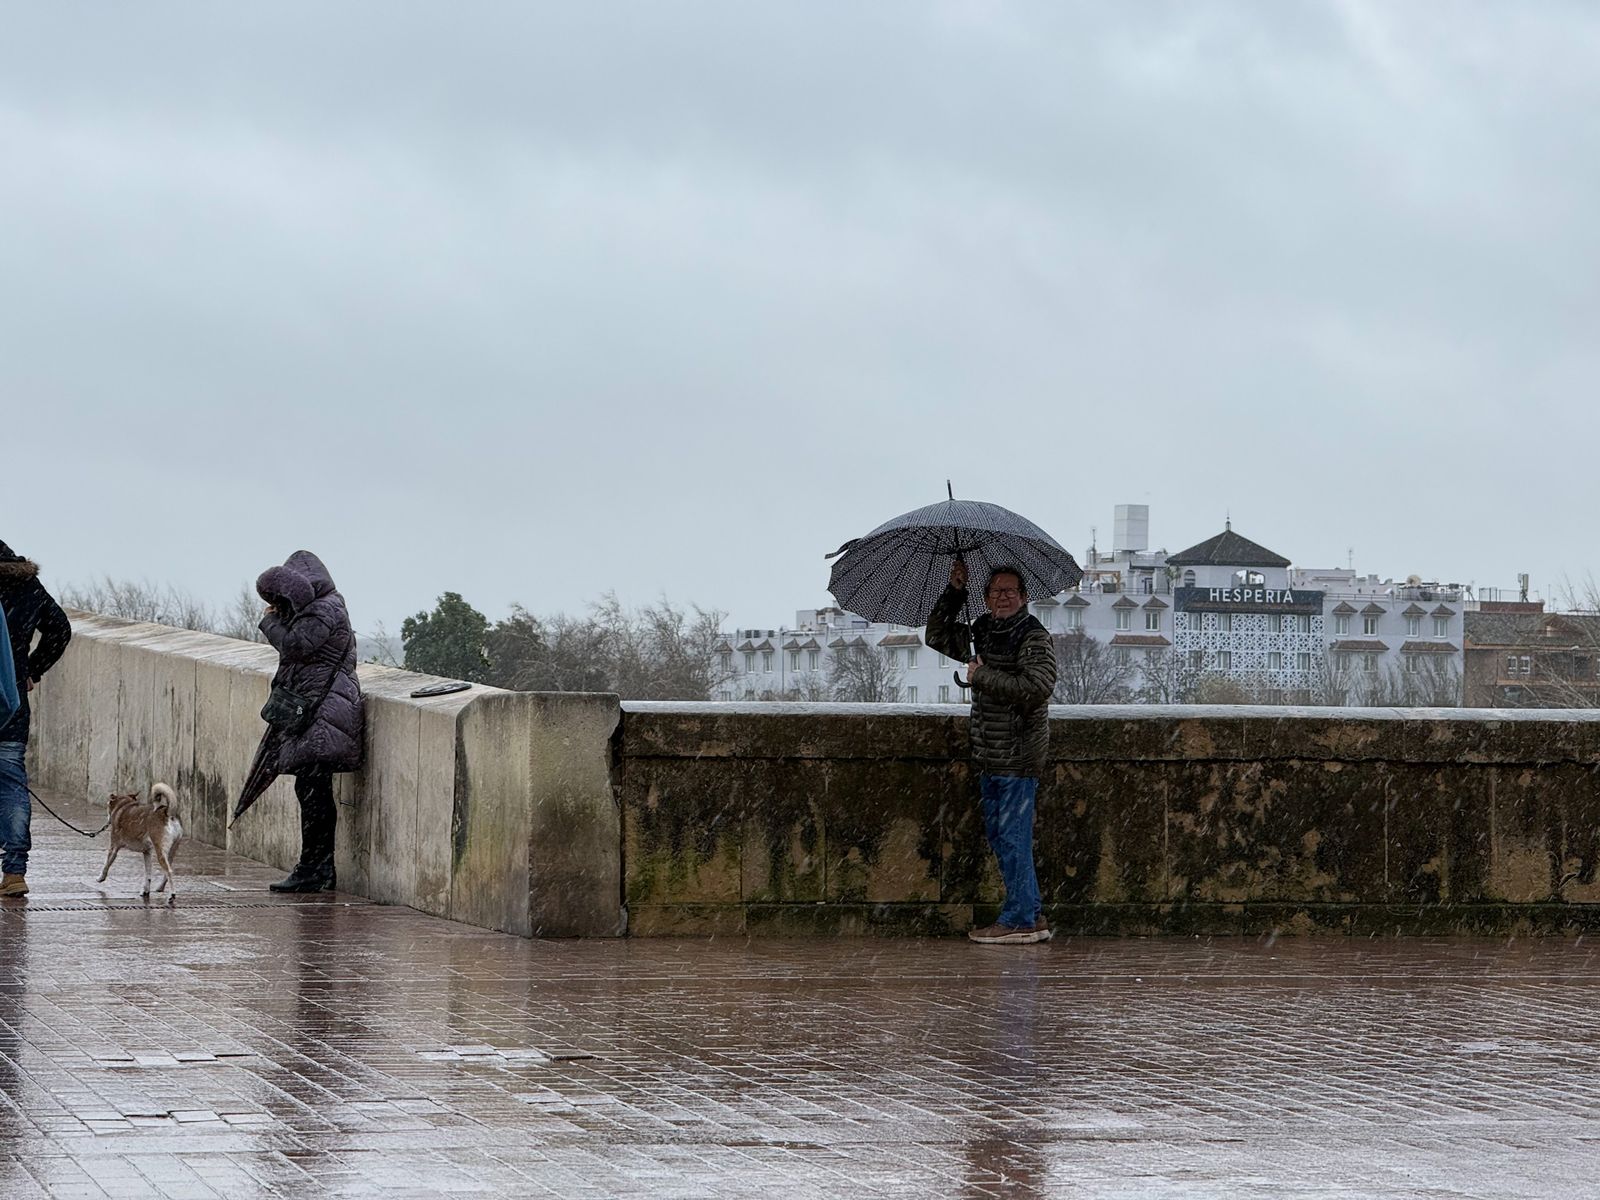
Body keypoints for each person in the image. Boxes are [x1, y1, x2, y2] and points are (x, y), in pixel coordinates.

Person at [925, 559, 1058, 945]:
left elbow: (1036, 687)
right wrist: (954, 591)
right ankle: (1030, 914)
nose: (1003, 597)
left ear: (1024, 597)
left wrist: (981, 676)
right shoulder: (982, 629)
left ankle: (1018, 918)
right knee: (1003, 837)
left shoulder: (1033, 635)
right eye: (995, 591)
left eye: (1010, 591)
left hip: (1017, 754)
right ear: (984, 598)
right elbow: (936, 635)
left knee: (1012, 837)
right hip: (989, 754)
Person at [251, 550, 363, 893]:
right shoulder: (324, 605)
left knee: (313, 792)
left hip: (324, 712)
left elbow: (297, 646)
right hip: (319, 709)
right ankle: (315, 867)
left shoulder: (324, 609)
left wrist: (270, 622)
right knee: (312, 790)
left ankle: (315, 869)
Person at [0, 542, 73, 898]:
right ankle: (14, 872)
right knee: (12, 784)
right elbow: (60, 629)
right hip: (11, 701)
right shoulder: (26, 586)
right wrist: (31, 669)